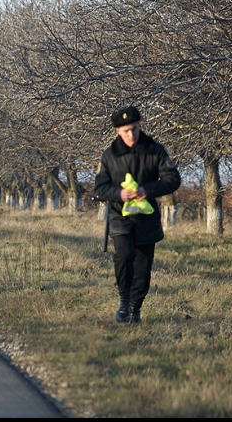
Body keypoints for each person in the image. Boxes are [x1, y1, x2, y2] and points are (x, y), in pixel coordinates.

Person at [94, 106, 181, 324]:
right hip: (119, 217)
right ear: (117, 131)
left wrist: (147, 190)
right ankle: (124, 300)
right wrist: (119, 194)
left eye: (134, 129)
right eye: (125, 131)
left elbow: (172, 179)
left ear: (140, 125)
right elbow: (100, 188)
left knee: (143, 270)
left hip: (146, 219)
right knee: (124, 256)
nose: (131, 135)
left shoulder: (156, 150)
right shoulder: (109, 156)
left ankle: (136, 307)